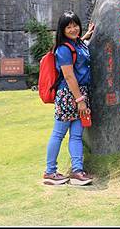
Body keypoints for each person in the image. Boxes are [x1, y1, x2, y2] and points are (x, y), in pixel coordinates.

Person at [43, 11, 96, 186]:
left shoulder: (78, 44)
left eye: (75, 25)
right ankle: (50, 172)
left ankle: (77, 171)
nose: (73, 29)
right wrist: (79, 100)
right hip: (69, 94)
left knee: (76, 135)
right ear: (62, 29)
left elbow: (82, 44)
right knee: (59, 133)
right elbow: (69, 76)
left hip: (81, 93)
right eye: (68, 26)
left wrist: (88, 34)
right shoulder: (63, 49)